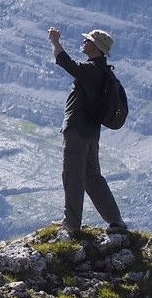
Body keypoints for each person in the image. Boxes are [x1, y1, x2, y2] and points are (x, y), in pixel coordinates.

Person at [48, 26, 127, 236]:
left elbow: (65, 62)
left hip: (76, 129)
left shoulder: (92, 70)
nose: (84, 41)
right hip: (91, 131)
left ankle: (71, 223)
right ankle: (115, 220)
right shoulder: (103, 72)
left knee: (72, 174)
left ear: (96, 47)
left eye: (88, 40)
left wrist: (55, 42)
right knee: (92, 177)